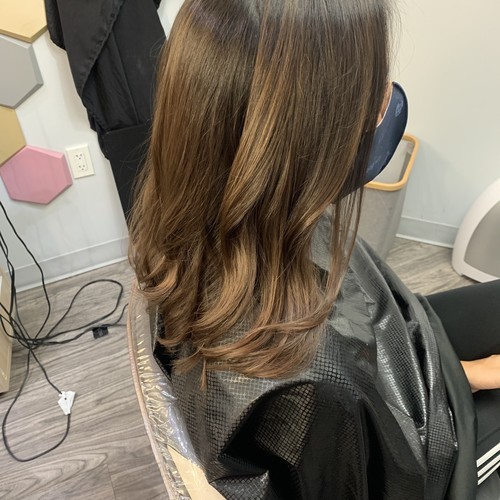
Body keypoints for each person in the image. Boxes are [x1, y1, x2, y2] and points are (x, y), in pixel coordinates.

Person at [128, 0, 500, 498]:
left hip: (397, 359)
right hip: (428, 444)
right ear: (311, 126)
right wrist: (460, 385)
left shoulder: (228, 217)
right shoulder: (305, 390)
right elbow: (395, 474)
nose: (385, 100)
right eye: (374, 83)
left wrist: (457, 373)